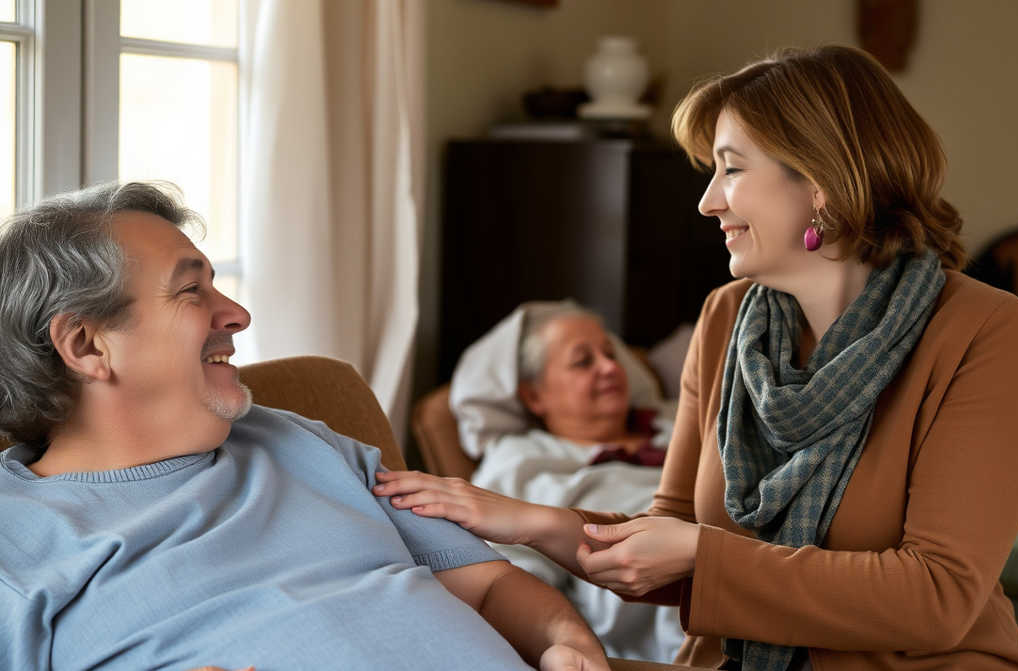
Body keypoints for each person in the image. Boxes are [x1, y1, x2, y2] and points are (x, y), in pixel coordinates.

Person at [374, 45, 1018, 670]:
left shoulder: (986, 331)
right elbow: (671, 537)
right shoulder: (725, 319)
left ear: (820, 183)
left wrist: (703, 554)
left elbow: (937, 597)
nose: (708, 201)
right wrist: (531, 522)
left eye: (731, 169)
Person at [0, 181, 611, 671]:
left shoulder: (303, 442)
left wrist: (567, 642)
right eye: (191, 290)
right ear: (86, 345)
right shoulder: (15, 538)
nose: (237, 314)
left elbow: (490, 587)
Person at [447, 301, 685, 661]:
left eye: (610, 354)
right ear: (534, 396)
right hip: (664, 592)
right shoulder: (520, 463)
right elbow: (513, 574)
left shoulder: (679, 420)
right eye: (583, 361)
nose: (610, 367)